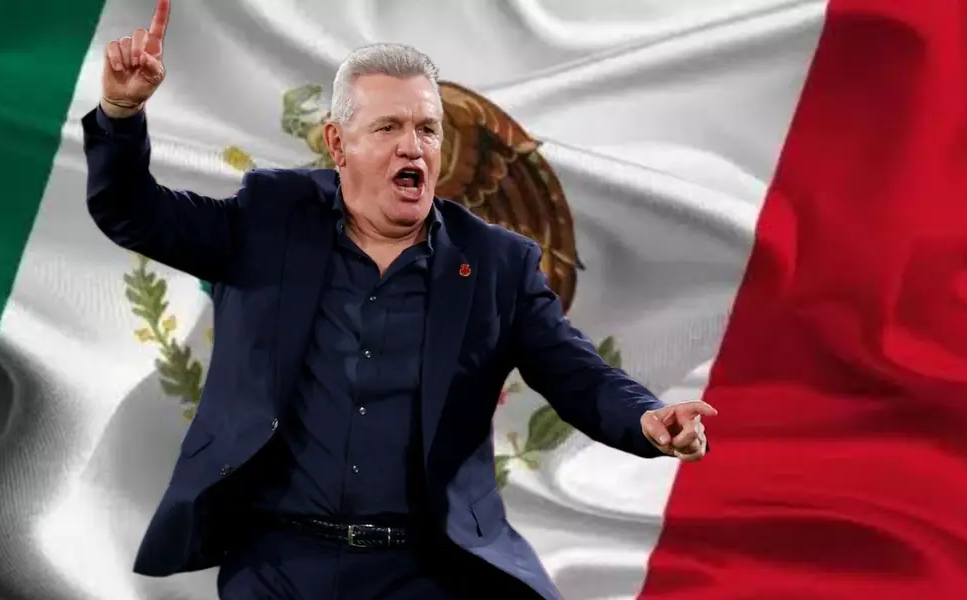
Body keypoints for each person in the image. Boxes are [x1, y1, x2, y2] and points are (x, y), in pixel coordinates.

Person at [84, 1, 716, 598]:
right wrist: (118, 114)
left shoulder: (497, 264)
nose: (413, 146)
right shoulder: (271, 219)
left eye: (428, 130)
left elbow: (576, 372)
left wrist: (644, 420)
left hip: (424, 569)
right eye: (388, 127)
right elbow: (134, 215)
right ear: (338, 145)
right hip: (277, 563)